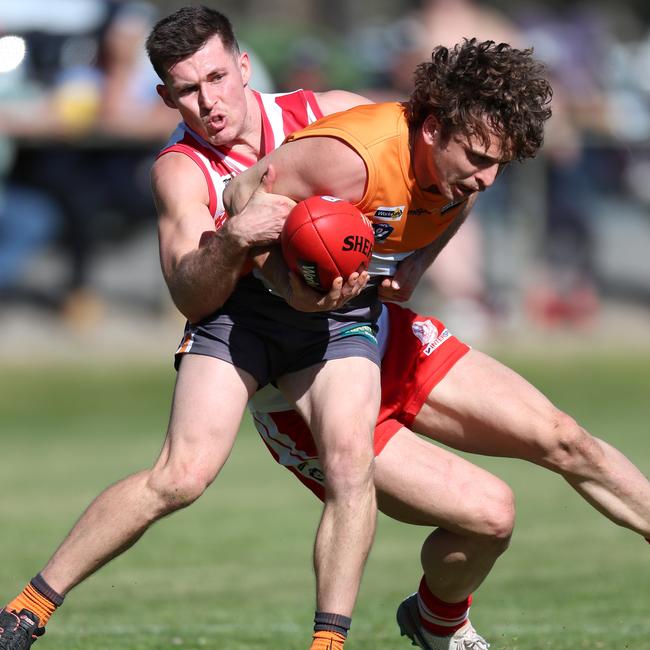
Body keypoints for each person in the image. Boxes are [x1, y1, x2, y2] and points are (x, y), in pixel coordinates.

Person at [223, 37, 650, 650]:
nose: (486, 179)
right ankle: (410, 628)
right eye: (476, 158)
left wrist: (419, 262)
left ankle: (435, 622)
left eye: (500, 164)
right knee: (490, 515)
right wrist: (283, 281)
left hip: (380, 333)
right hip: (303, 374)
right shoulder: (353, 159)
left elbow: (452, 201)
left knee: (565, 438)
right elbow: (241, 198)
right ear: (430, 127)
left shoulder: (465, 170)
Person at [0, 7, 379, 650]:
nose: (207, 102)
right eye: (186, 90)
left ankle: (331, 644)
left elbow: (420, 158)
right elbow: (189, 294)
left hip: (332, 319)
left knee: (355, 465)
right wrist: (232, 241)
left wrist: (403, 257)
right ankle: (25, 612)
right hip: (238, 316)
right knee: (180, 475)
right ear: (164, 96)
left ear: (243, 64)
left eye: (215, 78)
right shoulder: (180, 168)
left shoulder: (331, 115)